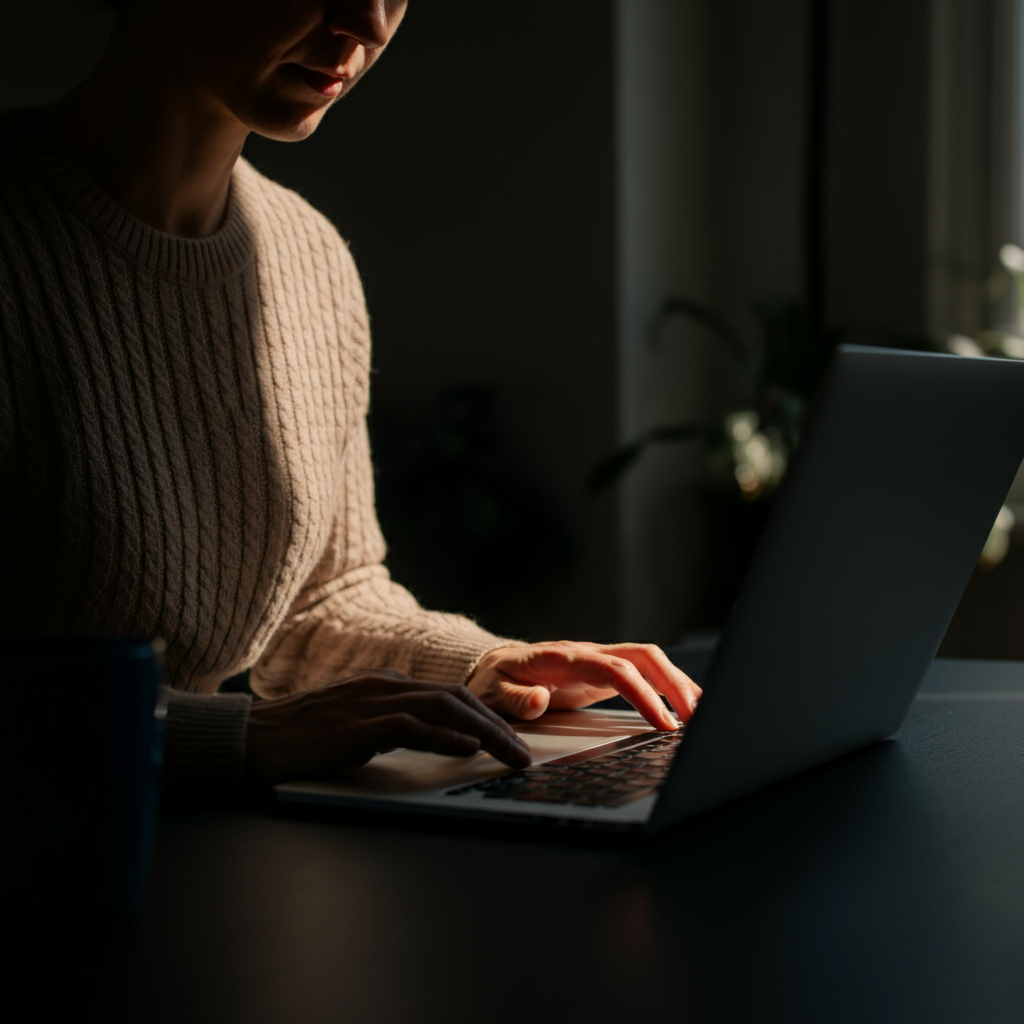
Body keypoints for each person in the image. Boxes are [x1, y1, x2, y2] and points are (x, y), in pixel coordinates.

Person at [0, 0, 701, 794]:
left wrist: (483, 663)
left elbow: (320, 603)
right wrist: (231, 736)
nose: (366, 26)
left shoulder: (309, 257)